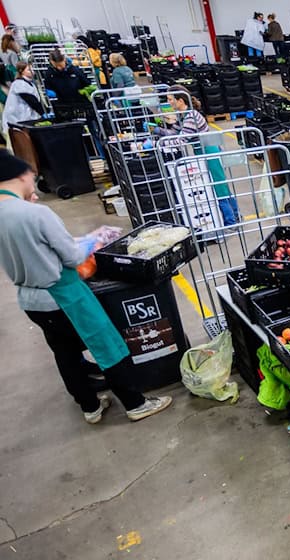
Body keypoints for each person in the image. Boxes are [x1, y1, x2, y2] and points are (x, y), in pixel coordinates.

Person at [0, 151, 172, 423]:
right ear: (21, 176)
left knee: (66, 354)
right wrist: (94, 238)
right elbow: (72, 257)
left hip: (31, 300)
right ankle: (135, 404)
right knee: (107, 345)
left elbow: (37, 249)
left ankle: (90, 407)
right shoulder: (35, 213)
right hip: (62, 295)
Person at [148, 85, 241, 227]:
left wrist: (157, 144)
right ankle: (235, 215)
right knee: (220, 185)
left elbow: (180, 140)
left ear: (180, 101)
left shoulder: (191, 117)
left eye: (171, 99)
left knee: (218, 187)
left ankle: (231, 222)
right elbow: (174, 133)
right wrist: (157, 130)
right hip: (202, 152)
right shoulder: (183, 115)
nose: (169, 103)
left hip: (209, 152)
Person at [2, 62, 43, 149]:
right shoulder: (19, 84)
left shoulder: (30, 83)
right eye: (29, 69)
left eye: (32, 69)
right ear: (22, 71)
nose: (32, 71)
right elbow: (32, 101)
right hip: (15, 120)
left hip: (24, 120)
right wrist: (43, 113)